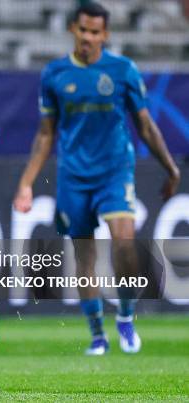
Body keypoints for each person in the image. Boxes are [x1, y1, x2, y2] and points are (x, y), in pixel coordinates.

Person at [13, 2, 180, 355]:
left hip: (115, 169)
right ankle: (97, 335)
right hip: (74, 176)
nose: (88, 37)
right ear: (73, 29)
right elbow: (46, 134)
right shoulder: (55, 74)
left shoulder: (122, 70)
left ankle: (126, 314)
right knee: (84, 255)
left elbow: (146, 125)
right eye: (83, 29)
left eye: (95, 31)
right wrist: (27, 182)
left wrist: (171, 167)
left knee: (123, 241)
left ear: (105, 34)